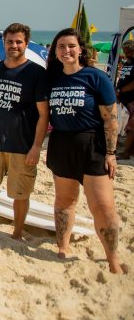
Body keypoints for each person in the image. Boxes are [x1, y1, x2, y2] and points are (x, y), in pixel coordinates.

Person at [46, 28, 123, 274]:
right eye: (61, 47)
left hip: (92, 145)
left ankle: (113, 259)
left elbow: (111, 120)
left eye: (71, 46)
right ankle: (63, 247)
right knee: (65, 201)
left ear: (81, 49)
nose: (66, 50)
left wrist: (110, 153)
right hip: (61, 144)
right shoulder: (52, 78)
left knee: (103, 207)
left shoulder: (95, 77)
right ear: (55, 52)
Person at [0, 23, 50, 240]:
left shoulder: (36, 73)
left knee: (20, 194)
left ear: (26, 43)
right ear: (3, 43)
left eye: (18, 42)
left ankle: (17, 234)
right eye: (10, 41)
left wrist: (36, 146)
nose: (14, 45)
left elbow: (43, 114)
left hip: (22, 145)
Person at [116, 39, 134, 159]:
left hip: (131, 100)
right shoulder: (127, 63)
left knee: (131, 127)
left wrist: (119, 91)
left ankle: (127, 152)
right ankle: (118, 148)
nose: (125, 52)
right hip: (123, 99)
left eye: (127, 50)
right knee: (120, 124)